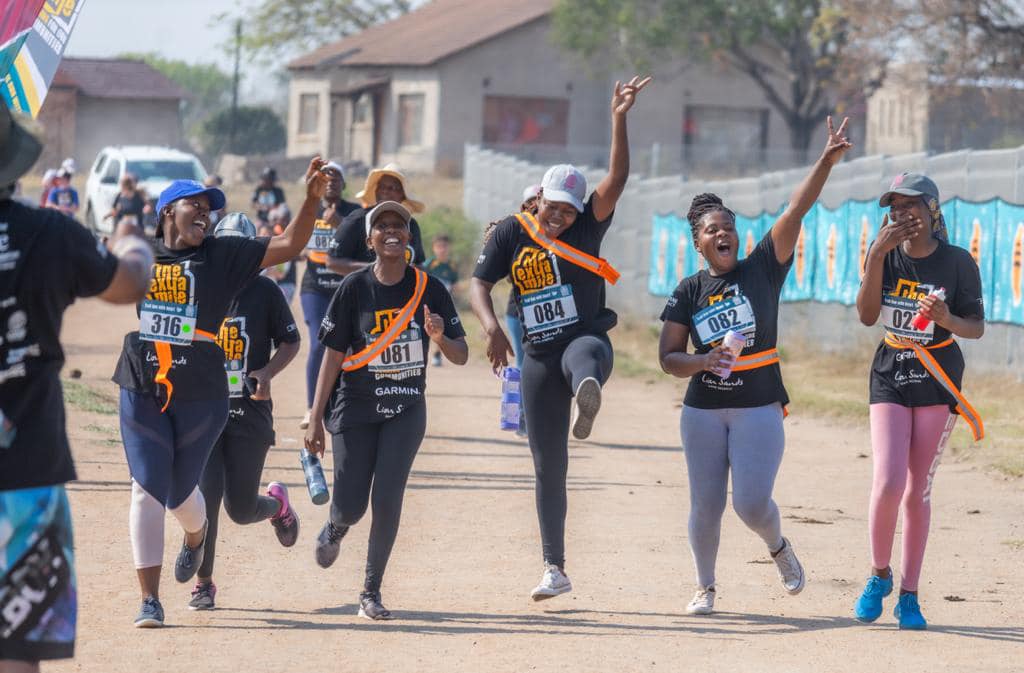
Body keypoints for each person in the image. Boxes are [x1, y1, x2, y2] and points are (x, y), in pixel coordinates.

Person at [111, 157, 328, 628]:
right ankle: (149, 599)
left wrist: (310, 201)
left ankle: (197, 533)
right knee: (147, 487)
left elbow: (290, 243)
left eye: (211, 209)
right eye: (196, 204)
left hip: (201, 390)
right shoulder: (143, 254)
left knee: (181, 494)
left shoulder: (222, 257)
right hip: (143, 381)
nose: (205, 213)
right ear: (168, 211)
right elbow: (100, 272)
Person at [657, 117, 852, 616]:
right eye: (711, 230)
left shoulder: (762, 267)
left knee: (749, 503)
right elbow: (668, 358)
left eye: (728, 227)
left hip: (758, 406)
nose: (722, 233)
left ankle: (779, 547)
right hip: (702, 410)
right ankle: (705, 587)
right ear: (698, 242)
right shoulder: (688, 290)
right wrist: (703, 360)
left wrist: (825, 162)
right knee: (705, 505)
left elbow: (796, 208)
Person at [470, 76, 650, 601]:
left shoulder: (587, 229)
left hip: (584, 340)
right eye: (554, 206)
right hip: (537, 359)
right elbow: (479, 282)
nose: (560, 216)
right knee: (549, 468)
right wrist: (492, 328)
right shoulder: (510, 231)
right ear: (539, 199)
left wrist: (619, 117)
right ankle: (555, 567)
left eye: (569, 210)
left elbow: (618, 175)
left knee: (586, 355)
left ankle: (588, 395)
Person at [0, 105, 151, 672]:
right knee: (19, 648)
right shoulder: (49, 232)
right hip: (26, 477)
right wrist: (132, 240)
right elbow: (126, 284)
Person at [304, 201, 468, 620]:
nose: (392, 232)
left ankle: (370, 592)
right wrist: (315, 415)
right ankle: (337, 525)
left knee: (388, 498)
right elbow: (333, 355)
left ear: (409, 237)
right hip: (355, 408)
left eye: (400, 225)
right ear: (369, 238)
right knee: (352, 505)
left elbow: (462, 354)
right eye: (383, 226)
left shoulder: (430, 288)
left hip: (406, 408)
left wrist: (439, 338)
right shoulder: (354, 288)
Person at [853, 173, 985, 630]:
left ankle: (909, 595)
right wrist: (875, 256)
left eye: (911, 206)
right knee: (887, 481)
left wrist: (947, 316)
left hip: (937, 377)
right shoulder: (883, 257)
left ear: (932, 210)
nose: (902, 214)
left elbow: (976, 327)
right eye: (894, 207)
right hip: (891, 371)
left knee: (916, 489)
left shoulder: (957, 262)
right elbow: (868, 316)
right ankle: (879, 575)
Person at [187, 213, 302, 611]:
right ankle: (205, 583)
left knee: (239, 508)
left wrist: (267, 372)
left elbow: (291, 341)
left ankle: (278, 507)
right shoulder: (197, 289)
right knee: (206, 499)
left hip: (249, 413)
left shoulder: (266, 292)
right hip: (205, 412)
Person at [298, 161, 361, 428]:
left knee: (347, 348)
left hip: (346, 289)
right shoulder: (309, 209)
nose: (331, 180)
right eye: (326, 177)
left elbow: (365, 248)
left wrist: (341, 224)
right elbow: (294, 240)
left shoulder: (355, 213)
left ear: (344, 184)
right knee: (319, 343)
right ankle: (313, 408)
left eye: (337, 177)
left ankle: (342, 404)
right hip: (315, 288)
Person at [422, 234, 459, 366]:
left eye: (444, 246)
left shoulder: (453, 266)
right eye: (439, 247)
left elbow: (454, 284)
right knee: (426, 328)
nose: (442, 249)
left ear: (449, 248)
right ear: (434, 248)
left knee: (443, 329)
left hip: (444, 303)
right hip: (428, 302)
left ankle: (437, 355)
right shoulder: (429, 265)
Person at [265, 205, 298, 303]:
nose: (279, 222)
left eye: (284, 219)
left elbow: (281, 273)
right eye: (277, 220)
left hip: (286, 284)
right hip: (276, 283)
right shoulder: (274, 234)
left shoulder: (291, 236)